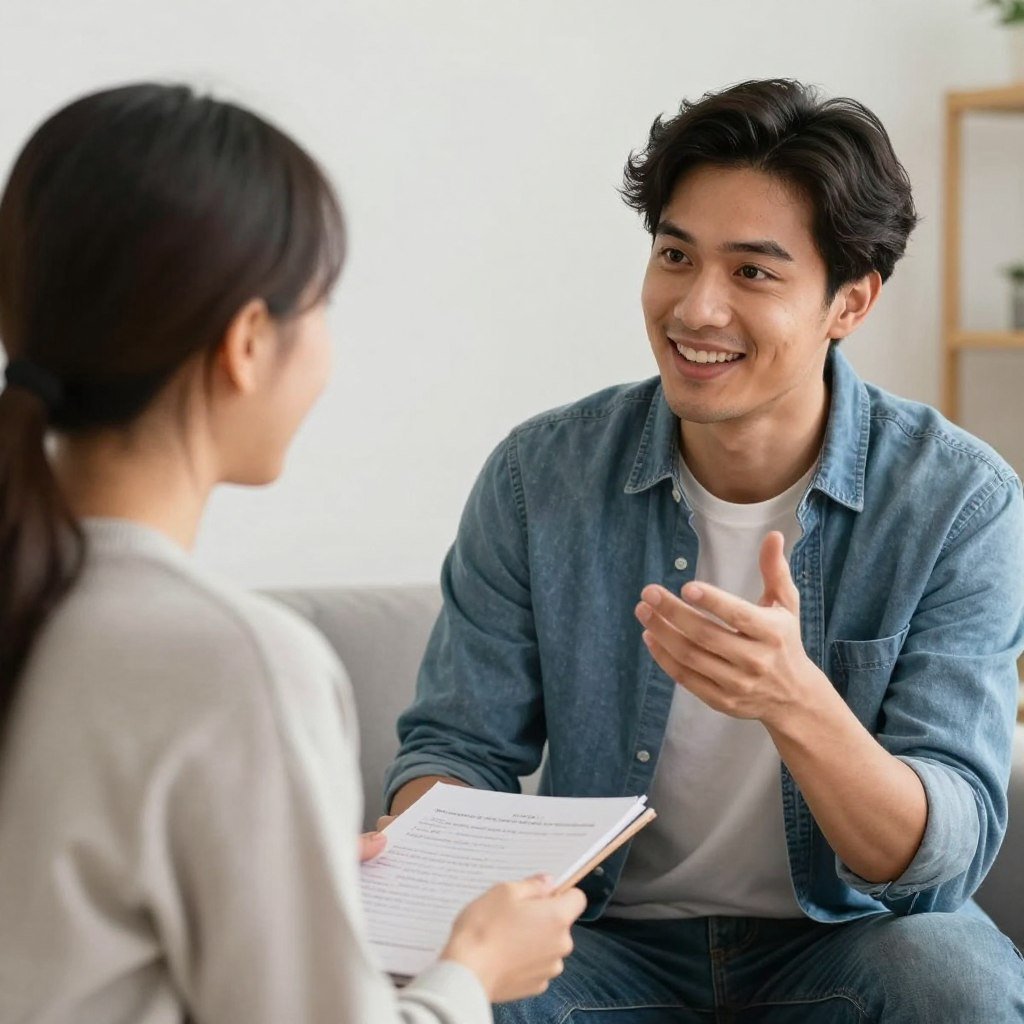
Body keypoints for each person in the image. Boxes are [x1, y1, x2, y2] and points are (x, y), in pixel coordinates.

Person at [383, 79, 1024, 1021]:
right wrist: (421, 870)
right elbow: (458, 748)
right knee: (452, 991)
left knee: (952, 979)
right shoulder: (538, 477)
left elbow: (942, 852)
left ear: (850, 301)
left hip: (843, 949)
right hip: (597, 948)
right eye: (675, 255)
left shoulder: (959, 502)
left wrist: (796, 702)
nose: (696, 309)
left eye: (753, 273)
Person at [0, 83, 585, 1024]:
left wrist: (287, 872)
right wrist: (473, 971)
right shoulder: (230, 661)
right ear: (245, 343)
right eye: (320, 304)